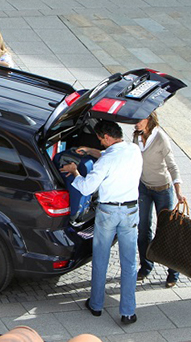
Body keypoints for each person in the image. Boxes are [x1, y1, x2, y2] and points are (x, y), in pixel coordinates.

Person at [60, 120, 142, 325]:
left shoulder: (105, 162)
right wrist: (90, 150)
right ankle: (128, 312)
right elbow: (110, 154)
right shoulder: (134, 150)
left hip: (108, 212)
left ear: (106, 137)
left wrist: (75, 171)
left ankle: (96, 305)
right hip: (131, 210)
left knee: (101, 258)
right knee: (130, 262)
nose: (100, 143)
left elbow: (87, 188)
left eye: (100, 139)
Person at [133, 112, 186, 288]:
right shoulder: (137, 136)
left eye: (139, 120)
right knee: (143, 229)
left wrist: (178, 191)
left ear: (149, 119)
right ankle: (146, 266)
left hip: (163, 190)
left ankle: (173, 273)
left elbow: (172, 166)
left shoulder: (161, 138)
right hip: (144, 188)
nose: (136, 124)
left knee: (166, 231)